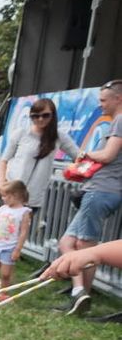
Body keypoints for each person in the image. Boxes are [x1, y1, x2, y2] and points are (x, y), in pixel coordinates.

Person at [55, 80, 122, 315]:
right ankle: (79, 292)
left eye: (103, 100)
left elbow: (108, 155)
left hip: (102, 190)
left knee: (85, 245)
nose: (100, 104)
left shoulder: (120, 121)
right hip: (102, 189)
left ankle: (83, 295)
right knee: (67, 242)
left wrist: (85, 154)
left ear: (118, 99)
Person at [0, 98, 79, 212]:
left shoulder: (59, 137)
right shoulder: (21, 133)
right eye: (35, 116)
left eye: (45, 115)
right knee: (2, 227)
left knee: (23, 229)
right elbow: (4, 160)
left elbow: (79, 155)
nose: (40, 119)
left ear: (53, 116)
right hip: (11, 193)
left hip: (33, 198)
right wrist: (1, 181)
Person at [0, 180, 32, 303]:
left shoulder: (24, 212)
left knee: (5, 273)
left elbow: (23, 232)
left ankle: (3, 293)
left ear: (15, 195)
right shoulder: (3, 209)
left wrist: (17, 249)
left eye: (5, 196)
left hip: (9, 247)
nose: (3, 199)